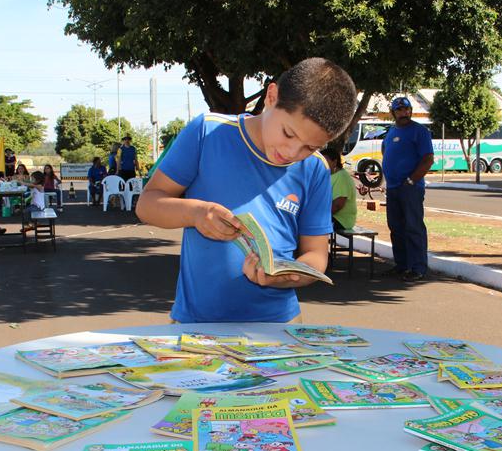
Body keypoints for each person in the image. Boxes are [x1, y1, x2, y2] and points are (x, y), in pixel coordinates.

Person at [136, 57, 357, 324]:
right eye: (288, 133)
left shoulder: (315, 170)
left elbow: (317, 254)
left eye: (309, 147)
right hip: (196, 324)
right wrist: (195, 213)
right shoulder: (207, 132)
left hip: (279, 327)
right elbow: (147, 204)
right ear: (272, 97)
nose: (291, 153)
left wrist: (289, 278)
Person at [381, 96, 434, 282]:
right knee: (396, 227)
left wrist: (412, 180)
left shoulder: (419, 132)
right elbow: (386, 152)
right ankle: (401, 264)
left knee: (413, 227)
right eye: (400, 110)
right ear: (393, 113)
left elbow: (428, 159)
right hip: (393, 187)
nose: (404, 113)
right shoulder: (391, 132)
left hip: (410, 187)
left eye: (407, 109)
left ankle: (418, 267)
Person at [324, 147, 357, 231]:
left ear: (334, 162)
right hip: (331, 216)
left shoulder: (341, 177)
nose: (322, 165)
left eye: (325, 162)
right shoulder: (331, 175)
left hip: (341, 220)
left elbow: (338, 205)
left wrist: (320, 215)